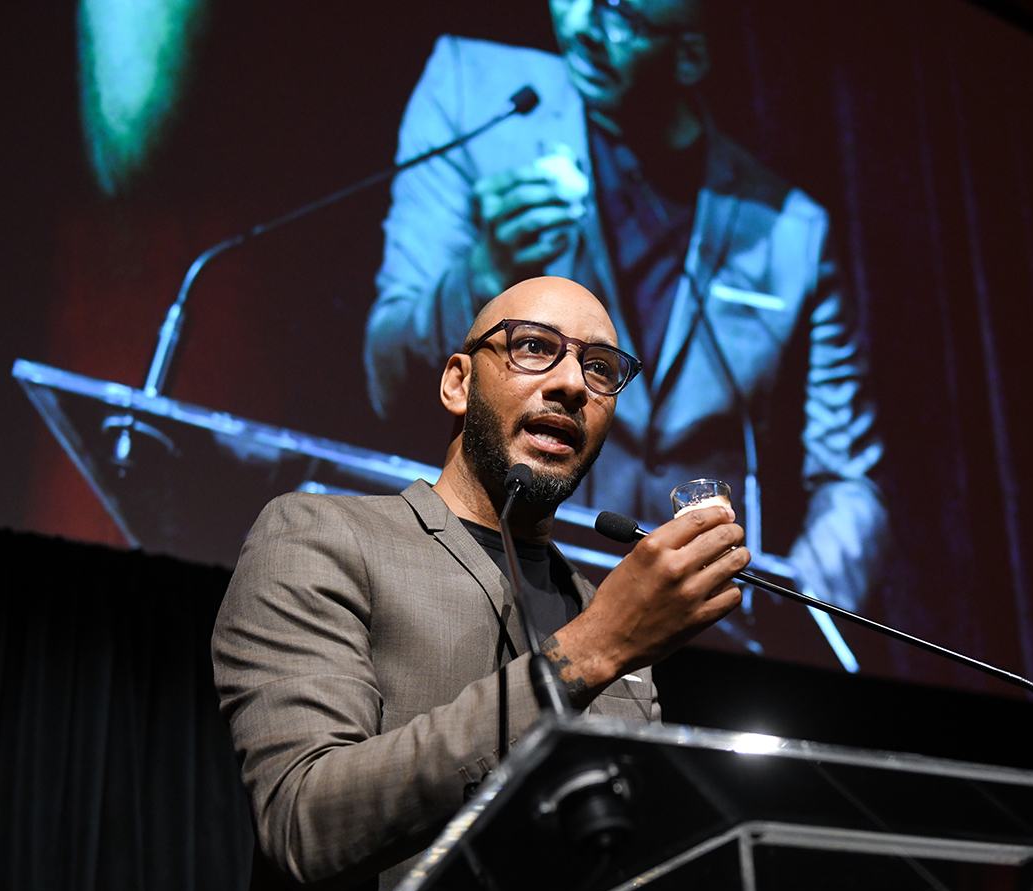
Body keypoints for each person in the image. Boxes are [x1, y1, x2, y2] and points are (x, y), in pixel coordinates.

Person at [214, 275, 750, 891]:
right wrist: (586, 652)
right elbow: (307, 823)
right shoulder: (324, 537)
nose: (571, 385)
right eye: (535, 348)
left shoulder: (607, 615)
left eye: (600, 368)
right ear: (458, 383)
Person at [364, 0, 888, 612]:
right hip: (489, 589)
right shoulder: (473, 93)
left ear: (690, 55)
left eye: (621, 15)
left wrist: (792, 612)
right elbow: (389, 374)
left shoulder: (788, 231)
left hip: (701, 631)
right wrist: (482, 273)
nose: (580, 25)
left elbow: (848, 481)